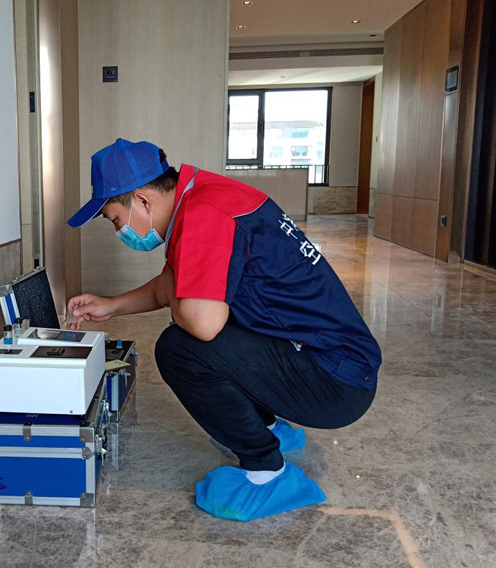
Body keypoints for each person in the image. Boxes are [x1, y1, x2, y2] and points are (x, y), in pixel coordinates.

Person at [65, 138, 381, 521]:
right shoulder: (203, 195)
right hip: (337, 360)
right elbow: (174, 284)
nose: (119, 231)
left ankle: (266, 470)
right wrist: (112, 305)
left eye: (115, 219)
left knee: (180, 348)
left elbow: (202, 322)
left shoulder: (204, 215)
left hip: (335, 382)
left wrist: (181, 298)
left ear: (143, 201)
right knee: (211, 313)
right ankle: (268, 426)